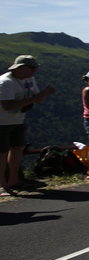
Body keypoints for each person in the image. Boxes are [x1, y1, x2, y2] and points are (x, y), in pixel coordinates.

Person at [0, 55, 55, 195]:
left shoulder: (29, 79)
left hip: (18, 120)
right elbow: (8, 105)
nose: (34, 71)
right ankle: (2, 185)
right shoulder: (5, 82)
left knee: (17, 149)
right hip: (2, 122)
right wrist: (34, 98)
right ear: (21, 68)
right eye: (32, 68)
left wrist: (44, 94)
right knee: (2, 153)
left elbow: (36, 99)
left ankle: (13, 180)